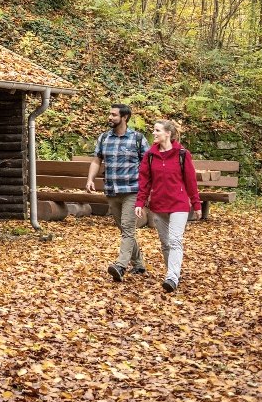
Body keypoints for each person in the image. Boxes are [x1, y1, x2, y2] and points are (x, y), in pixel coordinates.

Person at [134, 119, 200, 292]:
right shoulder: (149, 155)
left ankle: (171, 277)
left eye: (157, 130)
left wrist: (196, 203)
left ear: (167, 134)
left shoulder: (182, 154)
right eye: (154, 130)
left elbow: (191, 180)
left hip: (179, 203)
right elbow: (144, 181)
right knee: (165, 243)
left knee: (175, 240)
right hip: (158, 204)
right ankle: (173, 272)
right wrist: (140, 202)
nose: (154, 133)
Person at [86, 104, 150, 282]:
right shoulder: (104, 138)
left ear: (125, 117)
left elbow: (148, 165)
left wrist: (147, 190)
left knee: (128, 229)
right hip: (112, 190)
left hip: (132, 191)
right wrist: (90, 179)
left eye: (114, 115)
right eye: (109, 114)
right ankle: (139, 264)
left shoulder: (137, 139)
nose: (110, 117)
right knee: (124, 229)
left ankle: (120, 266)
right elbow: (97, 160)